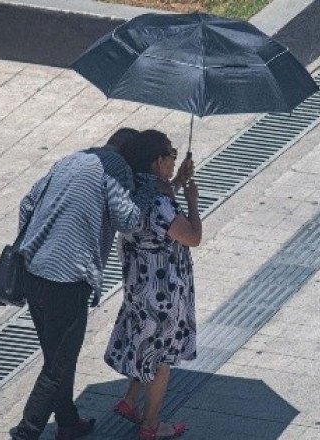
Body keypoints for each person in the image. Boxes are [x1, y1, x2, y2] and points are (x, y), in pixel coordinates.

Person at [10, 128, 142, 440]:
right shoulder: (116, 167)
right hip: (67, 279)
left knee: (56, 355)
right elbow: (129, 221)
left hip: (33, 269)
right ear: (130, 154)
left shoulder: (72, 159)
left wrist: (34, 245)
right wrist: (143, 190)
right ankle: (26, 432)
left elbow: (27, 204)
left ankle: (67, 422)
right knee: (58, 365)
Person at [104, 130, 201, 440]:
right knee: (161, 360)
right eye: (171, 155)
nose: (173, 160)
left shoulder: (131, 192)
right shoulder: (161, 203)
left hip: (139, 287)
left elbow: (154, 205)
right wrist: (192, 202)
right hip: (164, 294)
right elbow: (192, 237)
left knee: (145, 345)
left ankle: (130, 400)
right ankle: (151, 425)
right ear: (158, 161)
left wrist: (177, 182)